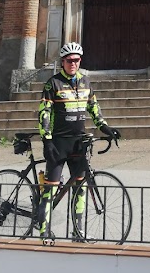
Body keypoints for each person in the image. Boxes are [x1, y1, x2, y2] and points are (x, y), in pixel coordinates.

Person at [37, 41, 121, 239]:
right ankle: (44, 232)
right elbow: (44, 113)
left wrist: (105, 128)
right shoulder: (53, 83)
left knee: (80, 187)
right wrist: (47, 140)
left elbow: (94, 108)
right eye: (69, 60)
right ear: (63, 62)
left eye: (76, 60)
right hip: (58, 143)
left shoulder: (86, 82)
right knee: (50, 188)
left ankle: (78, 231)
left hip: (78, 144)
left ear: (80, 61)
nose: (73, 63)